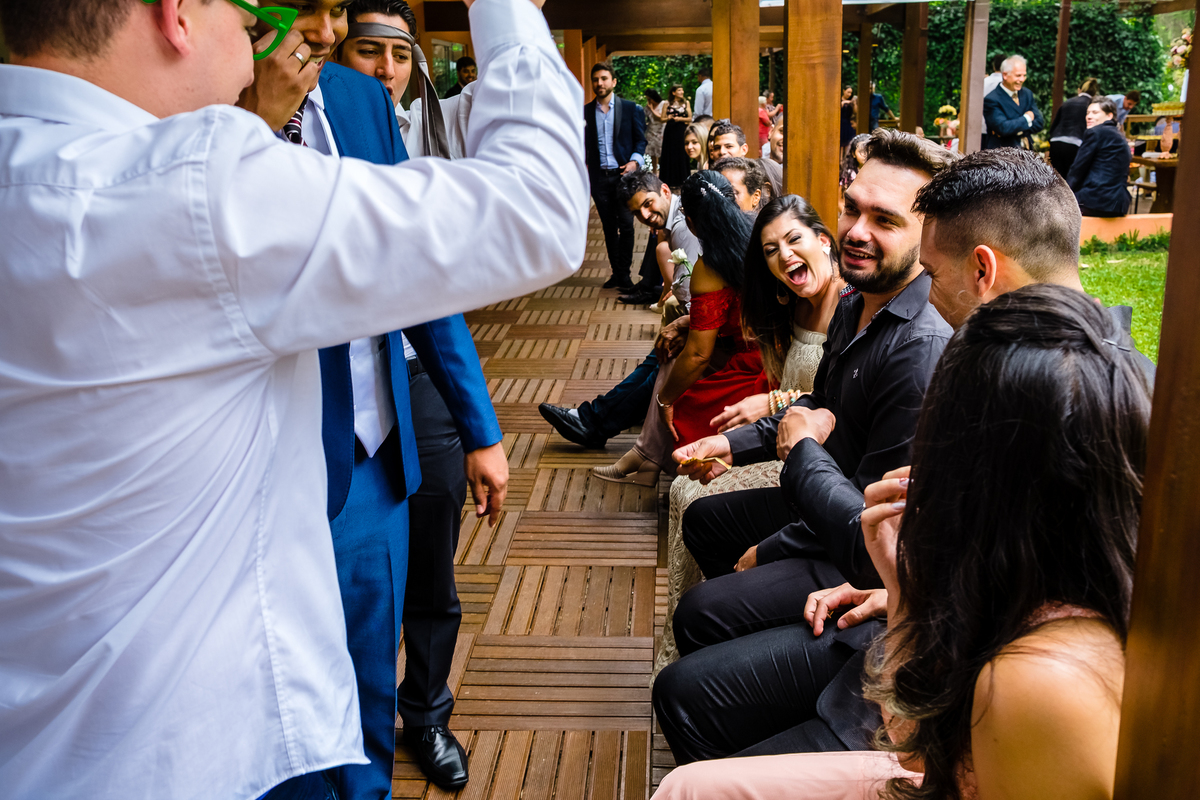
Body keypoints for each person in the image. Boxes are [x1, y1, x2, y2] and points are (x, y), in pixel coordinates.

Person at [0, 2, 586, 800]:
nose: (262, 45)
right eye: (244, 18)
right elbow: (538, 210)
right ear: (178, 15)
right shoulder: (195, 189)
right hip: (207, 747)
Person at [653, 284, 1149, 800]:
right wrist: (899, 586)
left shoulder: (1037, 681)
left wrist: (899, 585)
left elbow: (913, 742)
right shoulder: (1064, 560)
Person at [653, 131, 956, 765]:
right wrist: (731, 443)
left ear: (927, 233)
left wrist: (772, 541)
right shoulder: (858, 302)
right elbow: (812, 411)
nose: (856, 231)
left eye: (884, 220)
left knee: (697, 628)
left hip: (857, 561)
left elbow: (868, 544)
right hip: (822, 505)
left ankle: (742, 736)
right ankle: (750, 698)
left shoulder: (919, 350)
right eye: (851, 209)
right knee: (706, 515)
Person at [332, 1, 504, 792]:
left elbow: (435, 279)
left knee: (432, 556)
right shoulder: (310, 122)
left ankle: (427, 712)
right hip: (335, 394)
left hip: (419, 374)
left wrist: (480, 426)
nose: (387, 69)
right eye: (370, 50)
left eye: (401, 55)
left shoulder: (424, 126)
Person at [654, 194, 844, 680]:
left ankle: (721, 629)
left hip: (823, 464)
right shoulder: (790, 304)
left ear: (824, 240)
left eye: (794, 240)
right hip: (783, 442)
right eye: (770, 250)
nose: (784, 256)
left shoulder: (850, 306)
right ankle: (706, 630)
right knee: (687, 484)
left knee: (694, 492)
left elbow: (827, 401)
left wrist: (774, 403)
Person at [593, 171, 770, 485]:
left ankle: (646, 456)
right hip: (767, 349)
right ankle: (645, 457)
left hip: (757, 367)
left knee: (680, 373)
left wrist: (665, 401)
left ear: (689, 220)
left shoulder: (711, 265)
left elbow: (699, 356)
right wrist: (688, 322)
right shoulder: (759, 230)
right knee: (672, 350)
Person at [538, 170, 702, 449]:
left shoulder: (684, 227)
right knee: (655, 360)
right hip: (697, 317)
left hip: (706, 324)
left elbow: (693, 294)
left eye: (648, 204)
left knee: (659, 366)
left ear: (664, 191)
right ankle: (591, 418)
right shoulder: (673, 222)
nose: (646, 215)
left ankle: (595, 423)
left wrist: (683, 326)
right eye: (638, 212)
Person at [584, 62, 647, 290]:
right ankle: (617, 274)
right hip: (599, 179)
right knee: (609, 228)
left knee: (627, 226)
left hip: (625, 177)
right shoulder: (585, 112)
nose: (599, 83)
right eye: (595, 79)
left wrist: (634, 161)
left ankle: (625, 273)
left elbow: (641, 141)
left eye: (603, 78)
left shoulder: (631, 109)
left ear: (613, 82)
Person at [1067, 96, 1132, 218]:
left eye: (1095, 112)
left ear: (1109, 116)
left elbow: (1077, 169)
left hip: (1095, 200)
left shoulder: (1095, 132)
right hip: (1118, 204)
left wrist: (1064, 193)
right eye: (1088, 113)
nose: (1089, 116)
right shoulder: (1119, 136)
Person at [983, 54, 1044, 150]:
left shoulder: (1027, 94)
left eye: (1024, 75)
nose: (1022, 79)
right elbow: (1003, 128)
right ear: (1005, 75)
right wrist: (1027, 118)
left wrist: (1014, 127)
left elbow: (1039, 123)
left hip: (1027, 152)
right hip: (1002, 154)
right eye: (1018, 76)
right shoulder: (991, 99)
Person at [1047, 77, 1099, 177]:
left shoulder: (1067, 102)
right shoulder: (1091, 106)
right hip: (1075, 144)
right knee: (1072, 179)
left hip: (1056, 142)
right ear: (1095, 94)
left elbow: (1055, 124)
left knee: (1057, 180)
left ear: (1079, 90)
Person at [659, 84, 694, 188]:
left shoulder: (686, 103)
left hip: (681, 130)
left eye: (682, 90)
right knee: (670, 153)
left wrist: (680, 119)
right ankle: (669, 181)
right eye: (679, 90)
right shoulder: (667, 103)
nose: (682, 92)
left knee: (682, 153)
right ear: (673, 92)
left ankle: (683, 179)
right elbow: (662, 118)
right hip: (670, 130)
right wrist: (668, 117)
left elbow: (690, 118)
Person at [644, 87, 666, 173]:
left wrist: (652, 109)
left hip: (661, 130)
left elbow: (661, 118)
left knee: (661, 152)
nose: (648, 101)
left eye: (649, 99)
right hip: (651, 131)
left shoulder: (663, 104)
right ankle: (654, 172)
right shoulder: (648, 107)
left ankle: (663, 171)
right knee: (653, 153)